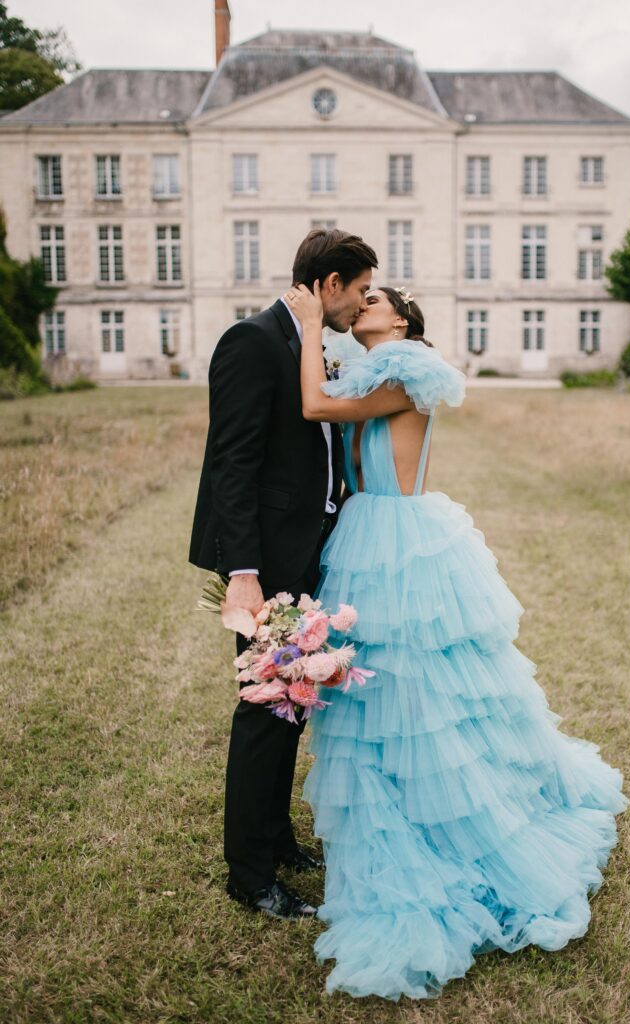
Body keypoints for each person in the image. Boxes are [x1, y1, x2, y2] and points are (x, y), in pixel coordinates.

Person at [285, 281, 629, 999]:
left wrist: (312, 322)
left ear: (402, 320)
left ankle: (447, 814)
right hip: (362, 531)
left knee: (420, 683)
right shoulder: (370, 370)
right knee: (370, 684)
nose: (364, 305)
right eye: (362, 297)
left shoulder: (409, 370)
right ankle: (395, 801)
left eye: (376, 299)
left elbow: (316, 406)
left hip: (400, 536)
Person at [188, 229, 378, 921]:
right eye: (359, 292)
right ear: (330, 285)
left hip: (305, 554)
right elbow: (231, 462)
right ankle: (250, 875)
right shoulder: (252, 341)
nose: (362, 306)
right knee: (264, 707)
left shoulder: (308, 342)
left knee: (291, 704)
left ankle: (277, 841)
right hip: (265, 563)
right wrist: (243, 572)